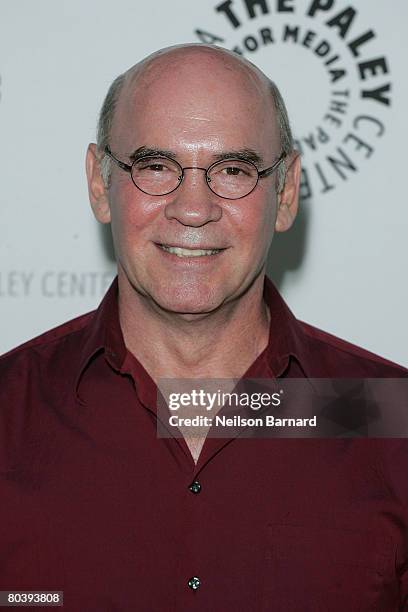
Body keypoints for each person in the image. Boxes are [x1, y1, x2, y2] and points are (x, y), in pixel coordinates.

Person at [0, 43, 407, 611]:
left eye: (234, 170)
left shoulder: (390, 420)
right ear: (100, 183)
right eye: (156, 166)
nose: (193, 208)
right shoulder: (8, 414)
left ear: (285, 192)